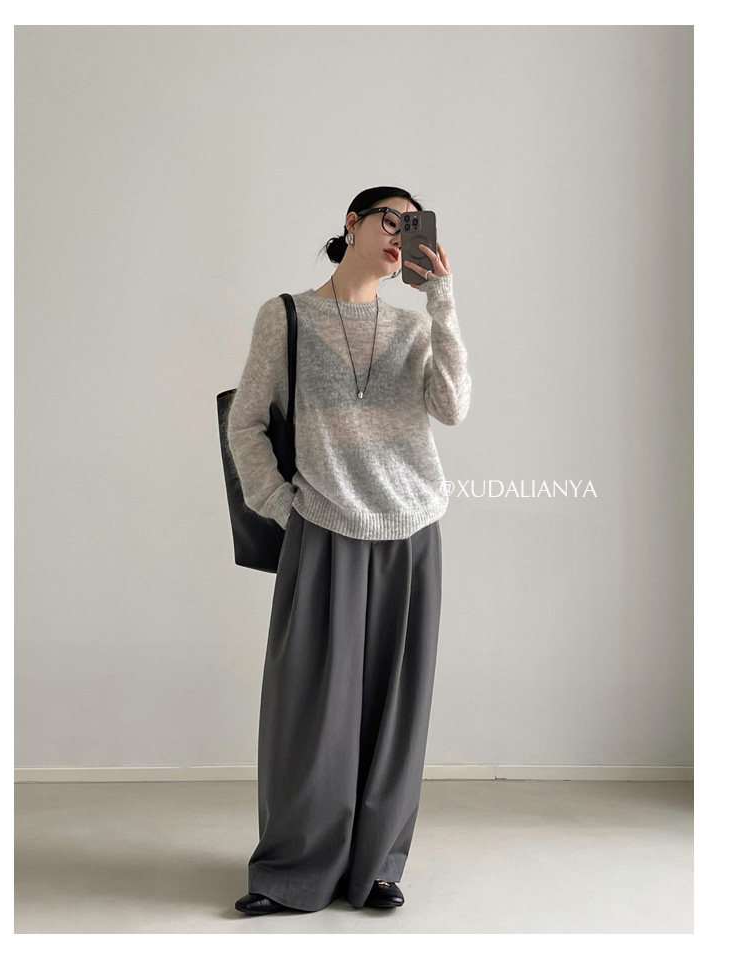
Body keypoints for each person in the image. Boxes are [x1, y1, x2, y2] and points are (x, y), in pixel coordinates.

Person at [227, 186, 471, 915]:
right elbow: (247, 422)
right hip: (325, 529)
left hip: (411, 532)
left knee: (396, 712)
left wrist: (443, 302)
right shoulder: (286, 316)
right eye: (390, 219)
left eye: (413, 224)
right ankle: (294, 870)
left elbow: (453, 407)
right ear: (352, 223)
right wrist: (284, 506)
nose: (400, 233)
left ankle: (377, 866)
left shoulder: (413, 326)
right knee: (311, 712)